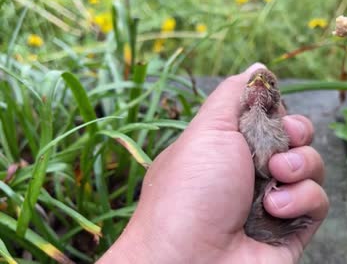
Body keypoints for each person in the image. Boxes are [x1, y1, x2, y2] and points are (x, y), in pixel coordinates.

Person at [98, 63, 329, 263]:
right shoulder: (235, 125)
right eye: (254, 81)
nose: (259, 82)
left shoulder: (279, 127)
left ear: (277, 97)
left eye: (268, 83)